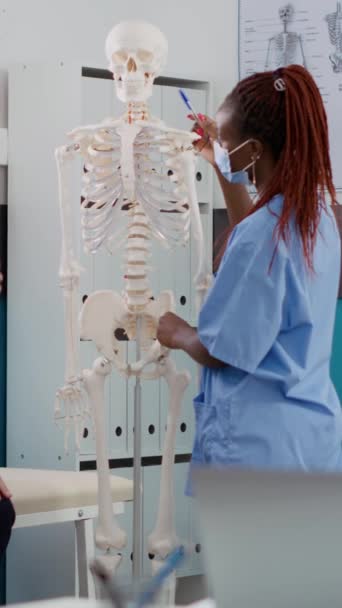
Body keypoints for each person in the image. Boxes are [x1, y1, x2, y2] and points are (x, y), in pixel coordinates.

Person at [157, 64, 342, 480]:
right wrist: (221, 165)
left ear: (254, 149)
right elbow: (258, 239)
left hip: (258, 453)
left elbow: (221, 351)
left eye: (225, 142)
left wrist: (177, 331)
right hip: (313, 444)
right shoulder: (320, 220)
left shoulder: (262, 235)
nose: (220, 149)